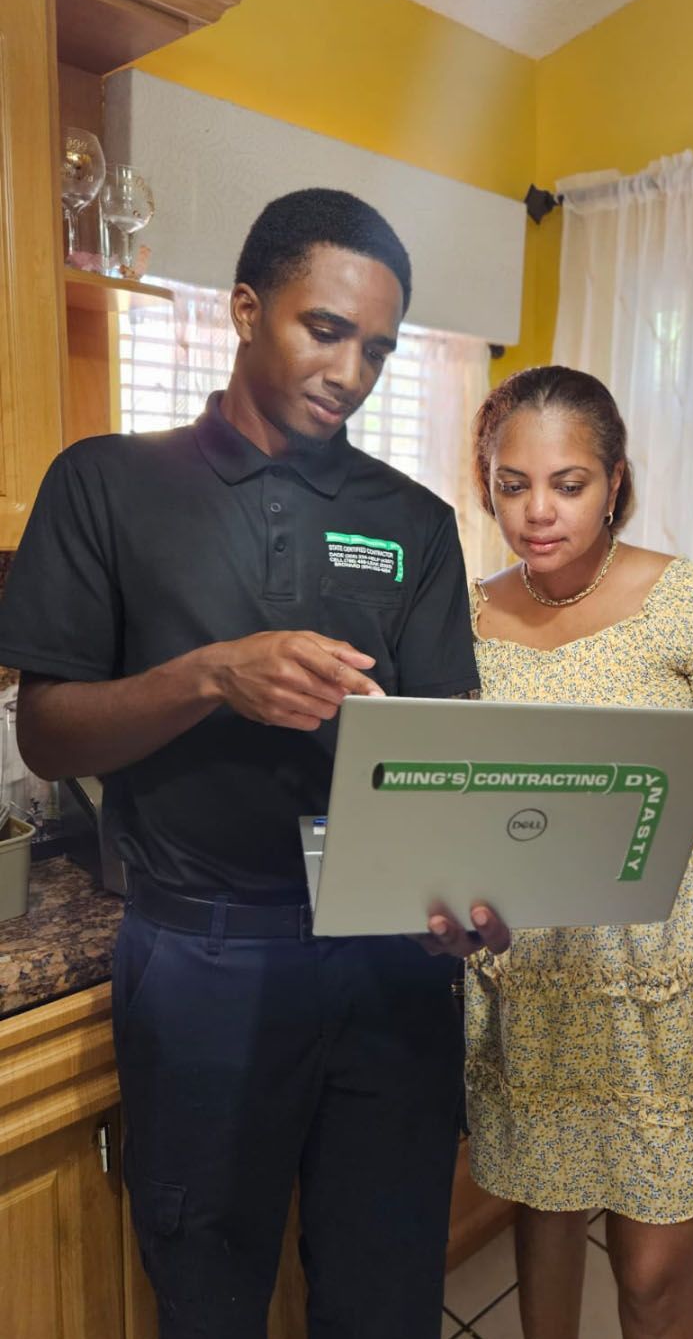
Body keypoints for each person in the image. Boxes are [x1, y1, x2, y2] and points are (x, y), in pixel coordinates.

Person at [0, 188, 507, 1339]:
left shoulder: (415, 522)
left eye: (377, 348)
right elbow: (47, 731)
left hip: (386, 964)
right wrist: (209, 676)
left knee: (383, 1300)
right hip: (202, 955)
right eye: (324, 329)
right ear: (244, 308)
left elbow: (447, 752)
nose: (352, 370)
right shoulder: (109, 484)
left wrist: (475, 889)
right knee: (209, 1294)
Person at [465, 366, 693, 1339]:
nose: (537, 511)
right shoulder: (471, 620)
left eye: (568, 483)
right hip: (533, 990)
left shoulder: (686, 605)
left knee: (654, 1275)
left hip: (663, 998)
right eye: (512, 482)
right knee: (546, 1227)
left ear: (615, 482)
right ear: (486, 482)